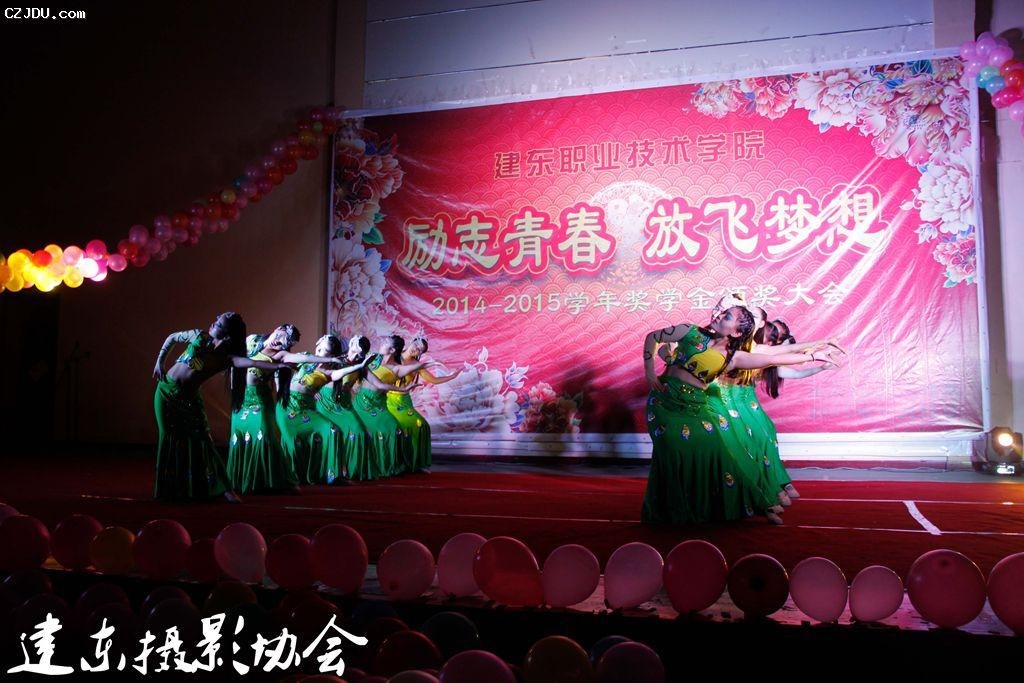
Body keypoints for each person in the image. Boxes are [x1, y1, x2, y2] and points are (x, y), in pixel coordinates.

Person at [641, 306, 840, 525]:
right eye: (723, 312)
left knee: (721, 453)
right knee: (671, 450)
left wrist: (813, 356)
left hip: (695, 407)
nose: (718, 315)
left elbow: (772, 360)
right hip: (663, 402)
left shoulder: (733, 358)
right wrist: (650, 372)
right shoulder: (689, 331)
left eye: (726, 316)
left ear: (736, 332)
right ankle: (671, 512)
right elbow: (653, 337)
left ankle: (740, 505)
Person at [151, 312, 287, 501]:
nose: (212, 324)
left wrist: (277, 367)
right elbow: (172, 337)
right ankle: (170, 489)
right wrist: (159, 362)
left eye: (218, 324)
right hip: (166, 392)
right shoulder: (198, 336)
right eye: (215, 321)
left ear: (227, 336)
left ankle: (225, 489)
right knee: (168, 436)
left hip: (189, 398)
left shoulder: (226, 359)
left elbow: (252, 362)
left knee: (204, 441)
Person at [227, 324, 342, 494]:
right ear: (277, 328)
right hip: (242, 399)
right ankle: (241, 481)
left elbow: (304, 358)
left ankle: (271, 482)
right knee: (239, 438)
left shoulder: (281, 355)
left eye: (285, 343)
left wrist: (330, 361)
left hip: (260, 400)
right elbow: (234, 362)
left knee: (263, 436)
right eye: (280, 336)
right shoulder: (252, 340)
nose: (279, 342)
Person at [277, 339, 372, 486]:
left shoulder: (328, 372)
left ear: (332, 355)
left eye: (324, 352)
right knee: (294, 441)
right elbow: (284, 362)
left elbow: (340, 373)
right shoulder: (306, 358)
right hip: (287, 407)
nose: (319, 353)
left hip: (307, 408)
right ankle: (291, 477)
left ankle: (333, 475)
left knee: (333, 430)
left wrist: (360, 365)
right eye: (319, 349)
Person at [386, 336, 462, 474]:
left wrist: (452, 376)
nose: (415, 349)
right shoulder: (394, 356)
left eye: (419, 350)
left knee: (421, 426)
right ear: (412, 341)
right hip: (389, 400)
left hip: (404, 401)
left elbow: (433, 380)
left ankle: (416, 463)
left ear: (420, 353)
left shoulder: (416, 365)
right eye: (416, 344)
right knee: (398, 428)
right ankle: (396, 462)